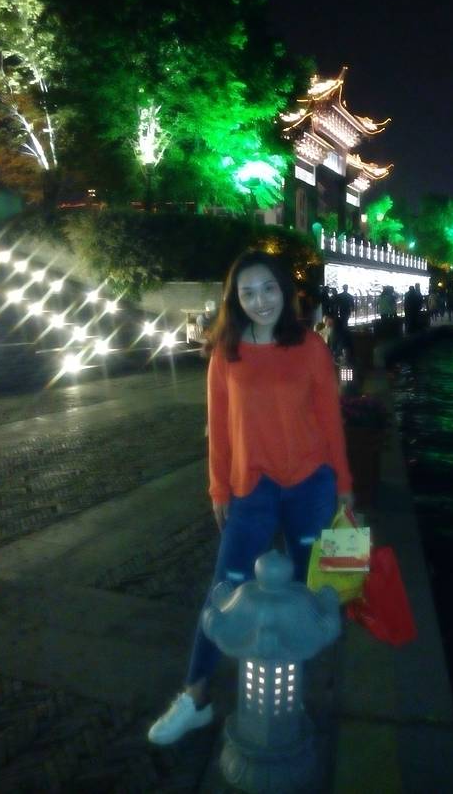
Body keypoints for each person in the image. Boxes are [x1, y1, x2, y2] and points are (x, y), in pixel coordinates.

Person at [148, 250, 354, 746]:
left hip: (311, 485)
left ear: (285, 291)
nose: (260, 301)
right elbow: (218, 427)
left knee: (314, 591)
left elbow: (331, 423)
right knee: (226, 587)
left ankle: (295, 687)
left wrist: (345, 489)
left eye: (269, 289)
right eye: (248, 292)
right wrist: (218, 487)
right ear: (234, 299)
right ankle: (196, 695)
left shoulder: (310, 347)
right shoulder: (227, 351)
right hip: (252, 488)